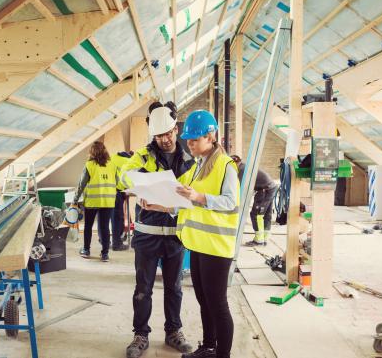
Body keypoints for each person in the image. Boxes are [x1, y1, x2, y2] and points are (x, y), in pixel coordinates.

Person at [144, 110, 240, 358]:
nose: (189, 143)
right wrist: (156, 204)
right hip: (198, 245)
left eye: (194, 139)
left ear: (211, 136)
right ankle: (208, 347)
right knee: (203, 300)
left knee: (218, 304)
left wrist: (199, 197)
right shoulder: (199, 165)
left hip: (217, 247)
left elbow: (230, 202)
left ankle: (222, 355)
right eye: (188, 139)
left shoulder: (226, 166)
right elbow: (183, 200)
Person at [119, 101, 195, 358]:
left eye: (170, 133)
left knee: (174, 288)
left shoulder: (189, 160)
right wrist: (135, 185)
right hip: (147, 235)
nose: (165, 139)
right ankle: (140, 335)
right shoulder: (143, 155)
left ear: (176, 129)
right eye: (160, 135)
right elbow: (124, 175)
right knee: (143, 289)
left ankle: (174, 331)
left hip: (175, 236)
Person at [73, 141, 117, 262]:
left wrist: (75, 199)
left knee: (88, 226)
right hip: (108, 202)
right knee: (104, 228)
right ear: (105, 151)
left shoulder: (89, 165)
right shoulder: (112, 165)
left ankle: (86, 250)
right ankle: (105, 254)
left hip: (92, 202)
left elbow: (81, 184)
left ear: (92, 152)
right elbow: (117, 182)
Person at [230, 155, 278, 246]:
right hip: (270, 187)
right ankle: (264, 238)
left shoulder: (242, 170)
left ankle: (259, 241)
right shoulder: (245, 167)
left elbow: (240, 188)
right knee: (266, 214)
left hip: (265, 189)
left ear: (235, 163)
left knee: (256, 214)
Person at [110, 151, 133, 251]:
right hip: (117, 192)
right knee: (118, 218)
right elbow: (128, 180)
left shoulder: (113, 157)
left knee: (111, 217)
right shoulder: (129, 161)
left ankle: (111, 239)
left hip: (108, 190)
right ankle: (117, 244)